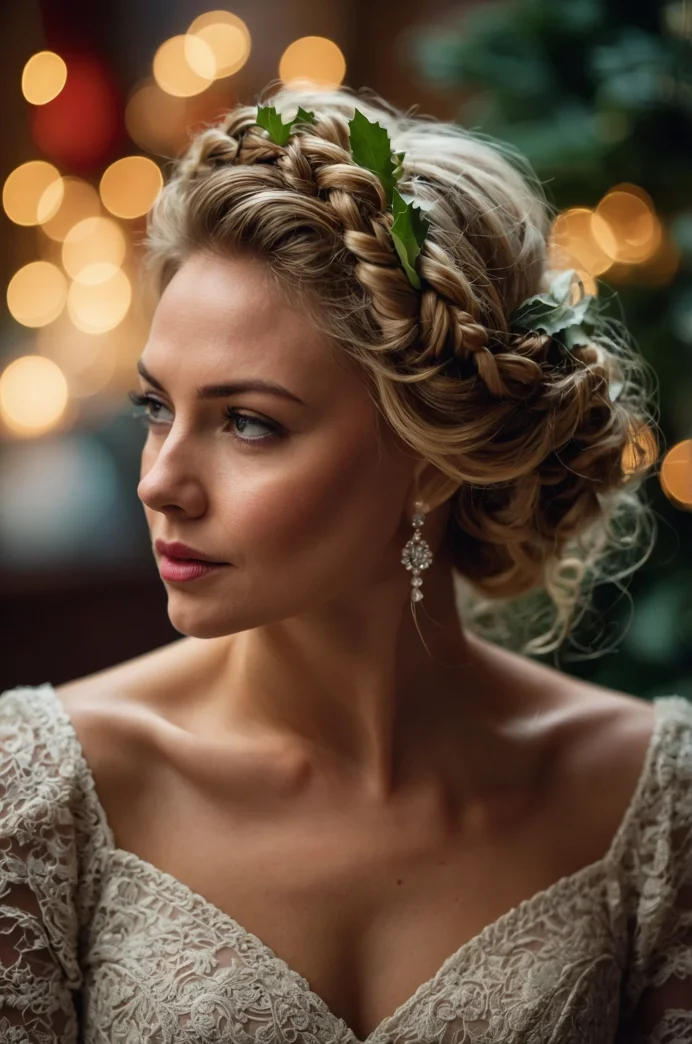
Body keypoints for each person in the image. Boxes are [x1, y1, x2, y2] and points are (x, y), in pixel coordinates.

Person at [1, 83, 691, 1044]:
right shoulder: (37, 792)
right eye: (157, 407)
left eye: (248, 422)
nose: (161, 481)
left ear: (429, 461)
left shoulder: (652, 801)